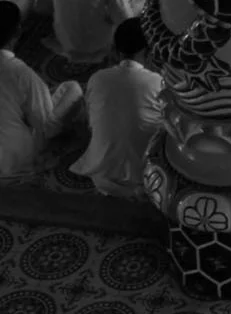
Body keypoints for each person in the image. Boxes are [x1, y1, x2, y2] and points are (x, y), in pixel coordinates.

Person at [69, 16, 164, 195]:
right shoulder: (158, 82)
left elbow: (90, 123)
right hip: (148, 179)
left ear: (116, 51)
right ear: (149, 51)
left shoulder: (97, 78)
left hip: (101, 177)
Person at [0, 0, 83, 177]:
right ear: (18, 31)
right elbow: (44, 125)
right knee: (72, 88)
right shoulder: (21, 73)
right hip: (13, 158)